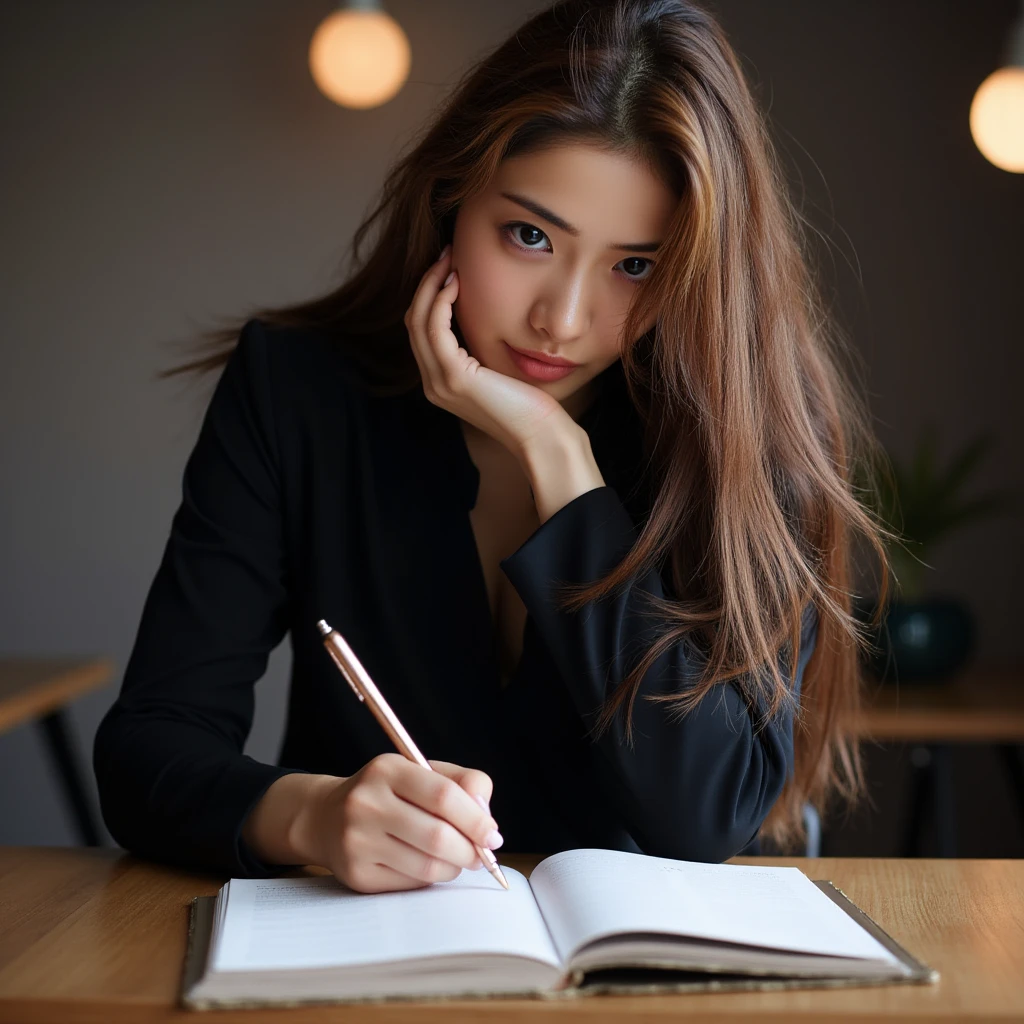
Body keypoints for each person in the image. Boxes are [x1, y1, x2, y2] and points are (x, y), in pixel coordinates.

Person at [93, 0, 894, 893]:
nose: (562, 317)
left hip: (648, 964)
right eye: (529, 235)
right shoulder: (300, 391)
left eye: (636, 265)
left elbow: (708, 813)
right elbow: (147, 752)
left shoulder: (748, 435)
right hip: (363, 949)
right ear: (451, 200)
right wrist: (313, 817)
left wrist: (562, 466)